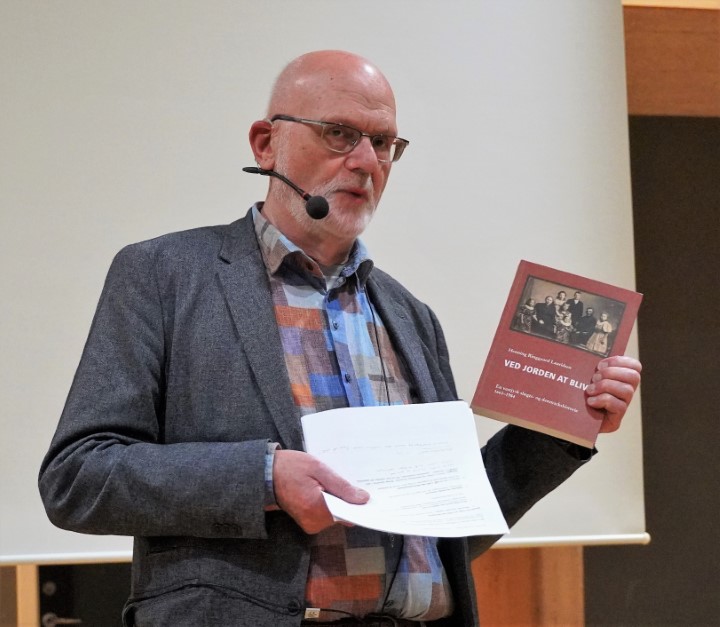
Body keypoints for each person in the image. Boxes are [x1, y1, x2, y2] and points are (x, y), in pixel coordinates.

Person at [38, 51, 642, 627]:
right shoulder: (165, 275)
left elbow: (447, 532)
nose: (366, 161)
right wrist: (264, 478)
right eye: (339, 134)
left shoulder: (411, 317)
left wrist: (563, 426)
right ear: (266, 144)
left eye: (383, 143)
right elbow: (78, 477)